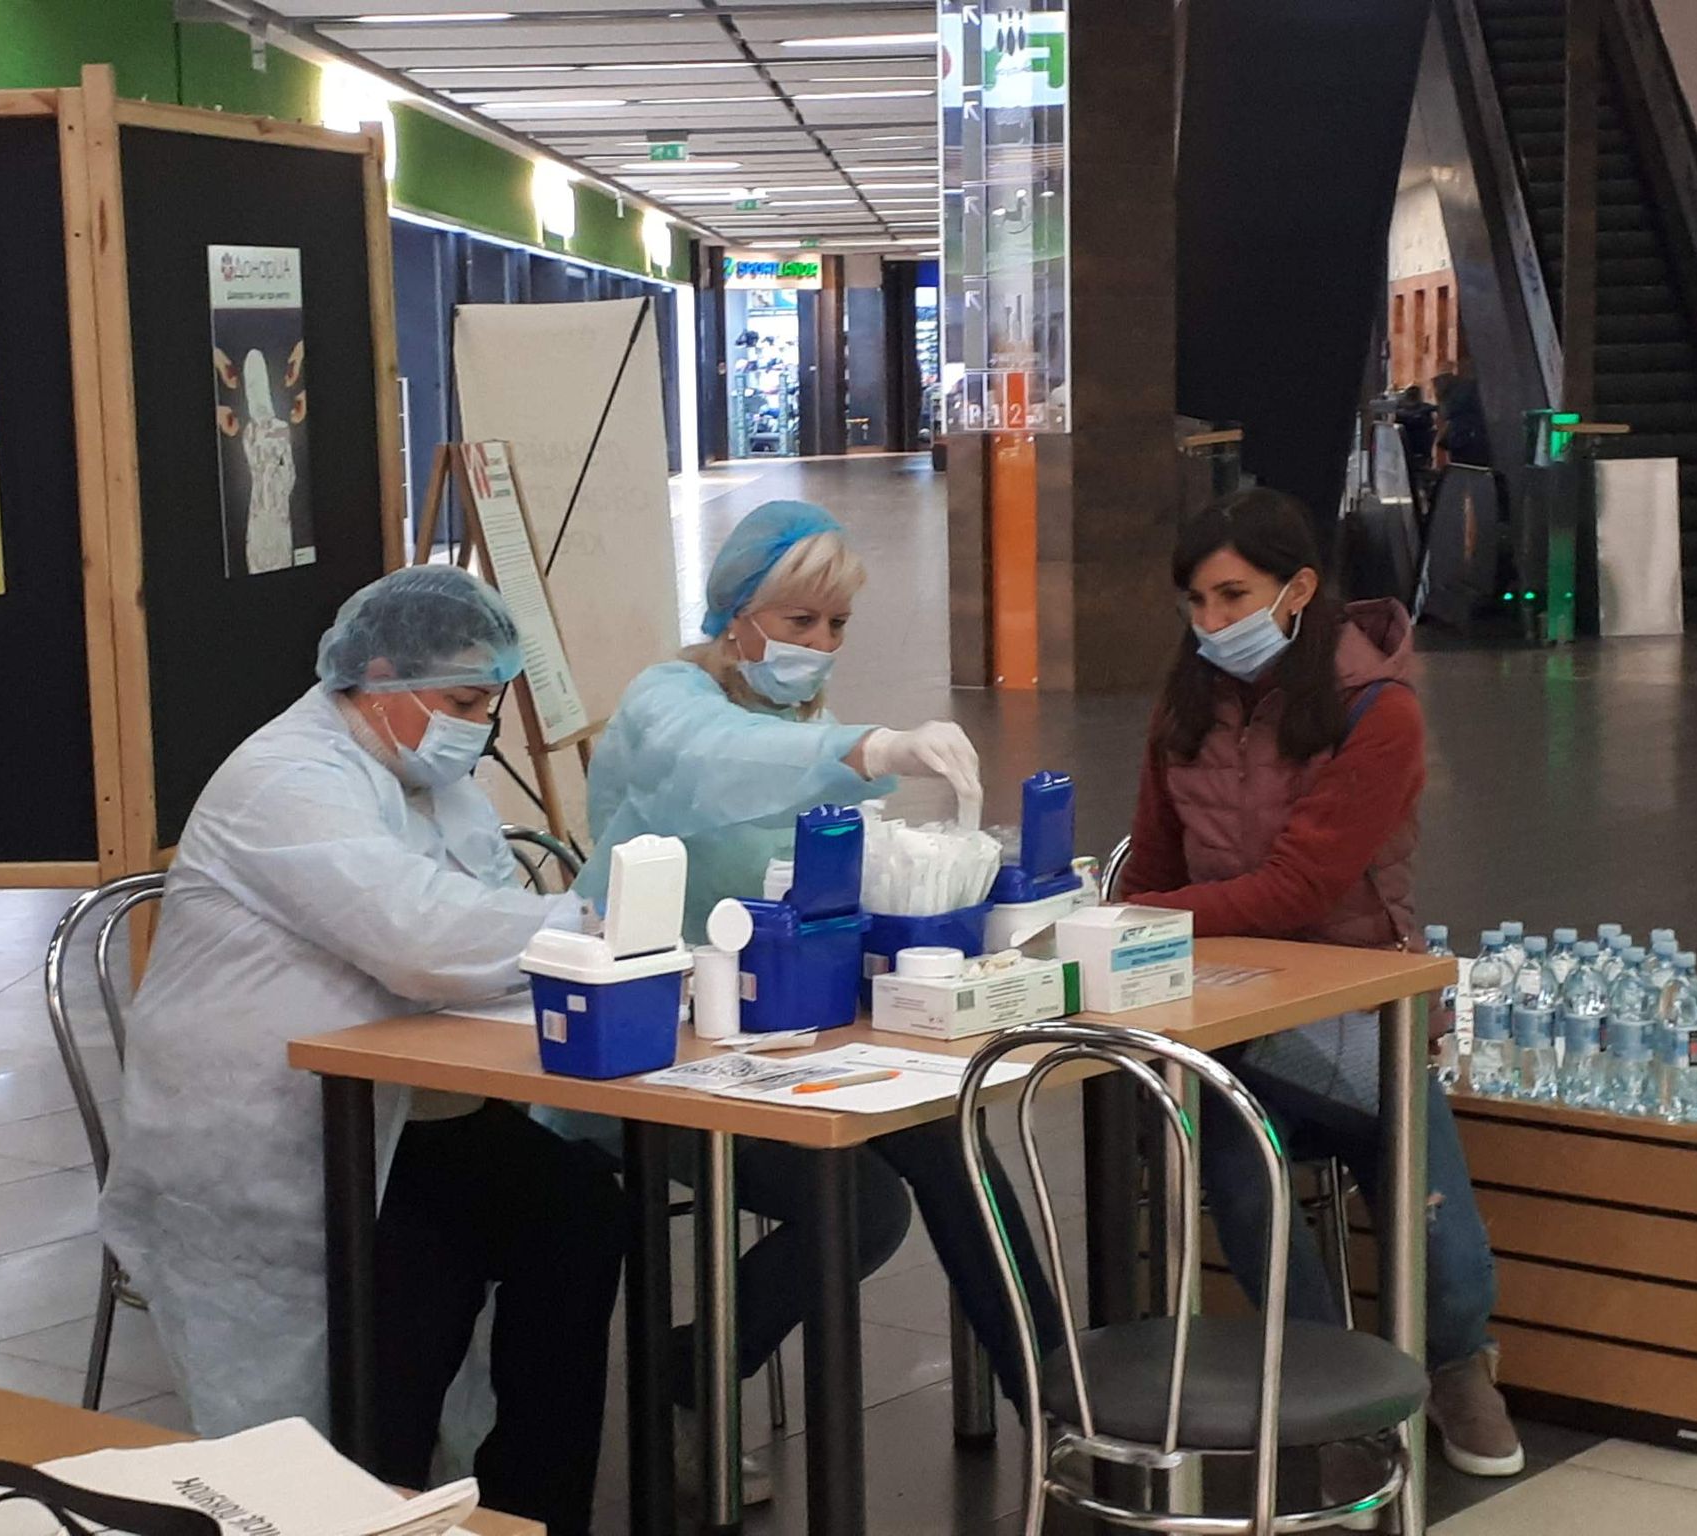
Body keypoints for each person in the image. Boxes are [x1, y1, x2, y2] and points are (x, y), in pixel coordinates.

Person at [100, 567, 624, 1536]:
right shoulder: (287, 779)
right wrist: (591, 925)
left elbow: (478, 917)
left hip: (399, 1105)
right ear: (378, 678)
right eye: (463, 703)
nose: (480, 729)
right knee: (418, 1268)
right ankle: (377, 1504)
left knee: (577, 1209)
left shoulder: (433, 783)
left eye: (490, 704)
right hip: (264, 1132)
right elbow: (420, 937)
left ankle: (530, 1512)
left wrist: (567, 941)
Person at [569, 499, 1062, 1502]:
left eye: (836, 625)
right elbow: (713, 763)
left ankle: (1059, 1412)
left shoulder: (805, 726)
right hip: (648, 1048)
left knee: (952, 1141)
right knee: (861, 1205)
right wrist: (872, 749)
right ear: (734, 615)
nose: (820, 645)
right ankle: (693, 1370)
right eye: (799, 621)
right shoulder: (667, 702)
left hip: (789, 1034)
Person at [1119, 487, 1524, 1494]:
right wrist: (1138, 916)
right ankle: (1322, 1383)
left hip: (1357, 1004)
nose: (1211, 622)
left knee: (1429, 1209)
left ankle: (1455, 1363)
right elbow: (1149, 868)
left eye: (1232, 596)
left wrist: (1144, 919)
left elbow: (1301, 886)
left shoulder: (1376, 709)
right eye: (1195, 601)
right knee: (1232, 1155)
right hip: (1224, 1015)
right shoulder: (1182, 707)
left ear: (1297, 589)